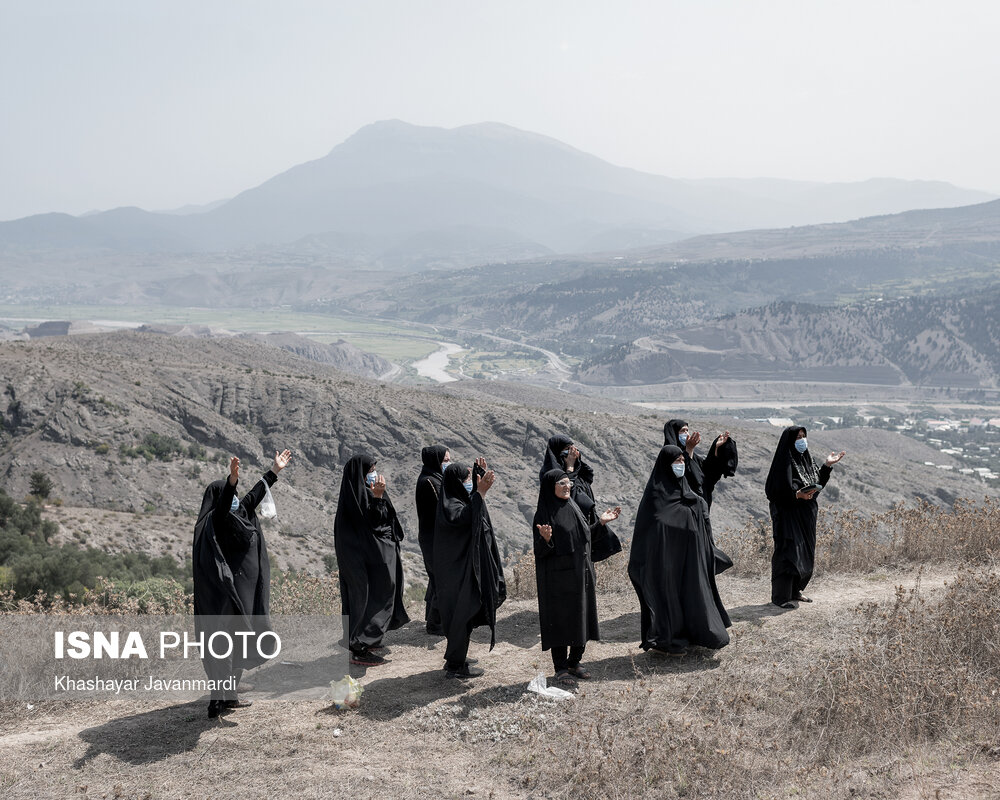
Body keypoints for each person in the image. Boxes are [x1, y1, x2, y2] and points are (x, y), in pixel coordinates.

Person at [193, 449, 291, 718]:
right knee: (226, 643)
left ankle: (227, 695)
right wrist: (231, 481)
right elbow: (226, 503)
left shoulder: (240, 515)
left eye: (235, 496)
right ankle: (220, 699)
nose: (236, 500)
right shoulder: (218, 519)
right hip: (228, 596)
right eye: (230, 496)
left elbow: (253, 497)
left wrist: (274, 471)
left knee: (239, 640)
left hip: (243, 594)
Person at [628, 445, 731, 655]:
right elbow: (657, 524)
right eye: (676, 461)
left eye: (683, 461)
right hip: (666, 563)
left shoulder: (687, 491)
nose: (681, 465)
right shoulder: (656, 495)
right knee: (669, 602)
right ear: (666, 465)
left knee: (693, 597)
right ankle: (668, 642)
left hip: (690, 560)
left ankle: (695, 636)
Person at [534, 468, 620, 682]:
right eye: (561, 483)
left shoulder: (572, 506)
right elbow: (540, 551)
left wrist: (600, 523)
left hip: (581, 573)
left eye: (567, 482)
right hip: (559, 578)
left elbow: (584, 536)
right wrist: (545, 540)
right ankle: (560, 667)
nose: (567, 486)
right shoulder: (545, 513)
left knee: (583, 616)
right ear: (550, 487)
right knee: (561, 620)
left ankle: (574, 662)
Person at [334, 454, 410, 666]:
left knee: (376, 594)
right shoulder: (357, 497)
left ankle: (367, 639)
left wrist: (378, 496)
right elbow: (372, 523)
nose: (374, 474)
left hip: (373, 556)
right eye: (370, 471)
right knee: (369, 596)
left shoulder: (365, 492)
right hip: (364, 560)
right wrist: (377, 497)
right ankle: (360, 647)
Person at [434, 458, 506, 679]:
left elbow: (474, 513)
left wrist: (478, 485)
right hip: (455, 575)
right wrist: (480, 493)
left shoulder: (457, 500)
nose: (468, 483)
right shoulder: (450, 506)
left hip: (459, 573)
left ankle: (455, 659)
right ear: (456, 482)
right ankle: (456, 667)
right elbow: (465, 518)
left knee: (462, 615)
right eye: (465, 479)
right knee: (460, 615)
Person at [765, 426, 846, 609]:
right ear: (789, 441)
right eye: (797, 437)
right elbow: (773, 491)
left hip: (806, 516)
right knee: (788, 555)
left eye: (804, 436)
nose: (802, 440)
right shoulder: (783, 463)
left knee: (804, 553)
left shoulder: (807, 460)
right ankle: (781, 597)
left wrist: (826, 466)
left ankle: (795, 591)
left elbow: (817, 484)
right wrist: (796, 495)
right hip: (788, 517)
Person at [663, 419, 738, 573]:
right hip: (683, 516)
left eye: (687, 430)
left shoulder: (692, 455)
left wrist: (716, 449)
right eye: (682, 431)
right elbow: (686, 481)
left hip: (700, 512)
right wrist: (688, 451)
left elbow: (706, 476)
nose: (686, 434)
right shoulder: (669, 456)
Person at [539, 434, 622, 562]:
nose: (571, 453)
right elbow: (566, 498)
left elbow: (587, 478)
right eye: (566, 450)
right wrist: (570, 468)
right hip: (565, 535)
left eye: (573, 449)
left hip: (584, 532)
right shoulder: (550, 475)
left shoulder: (578, 475)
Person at [415, 445, 450, 635]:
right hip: (433, 538)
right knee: (440, 578)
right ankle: (435, 623)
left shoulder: (436, 479)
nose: (448, 463)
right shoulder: (430, 482)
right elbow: (443, 507)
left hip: (435, 536)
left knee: (436, 577)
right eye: (445, 460)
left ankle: (432, 617)